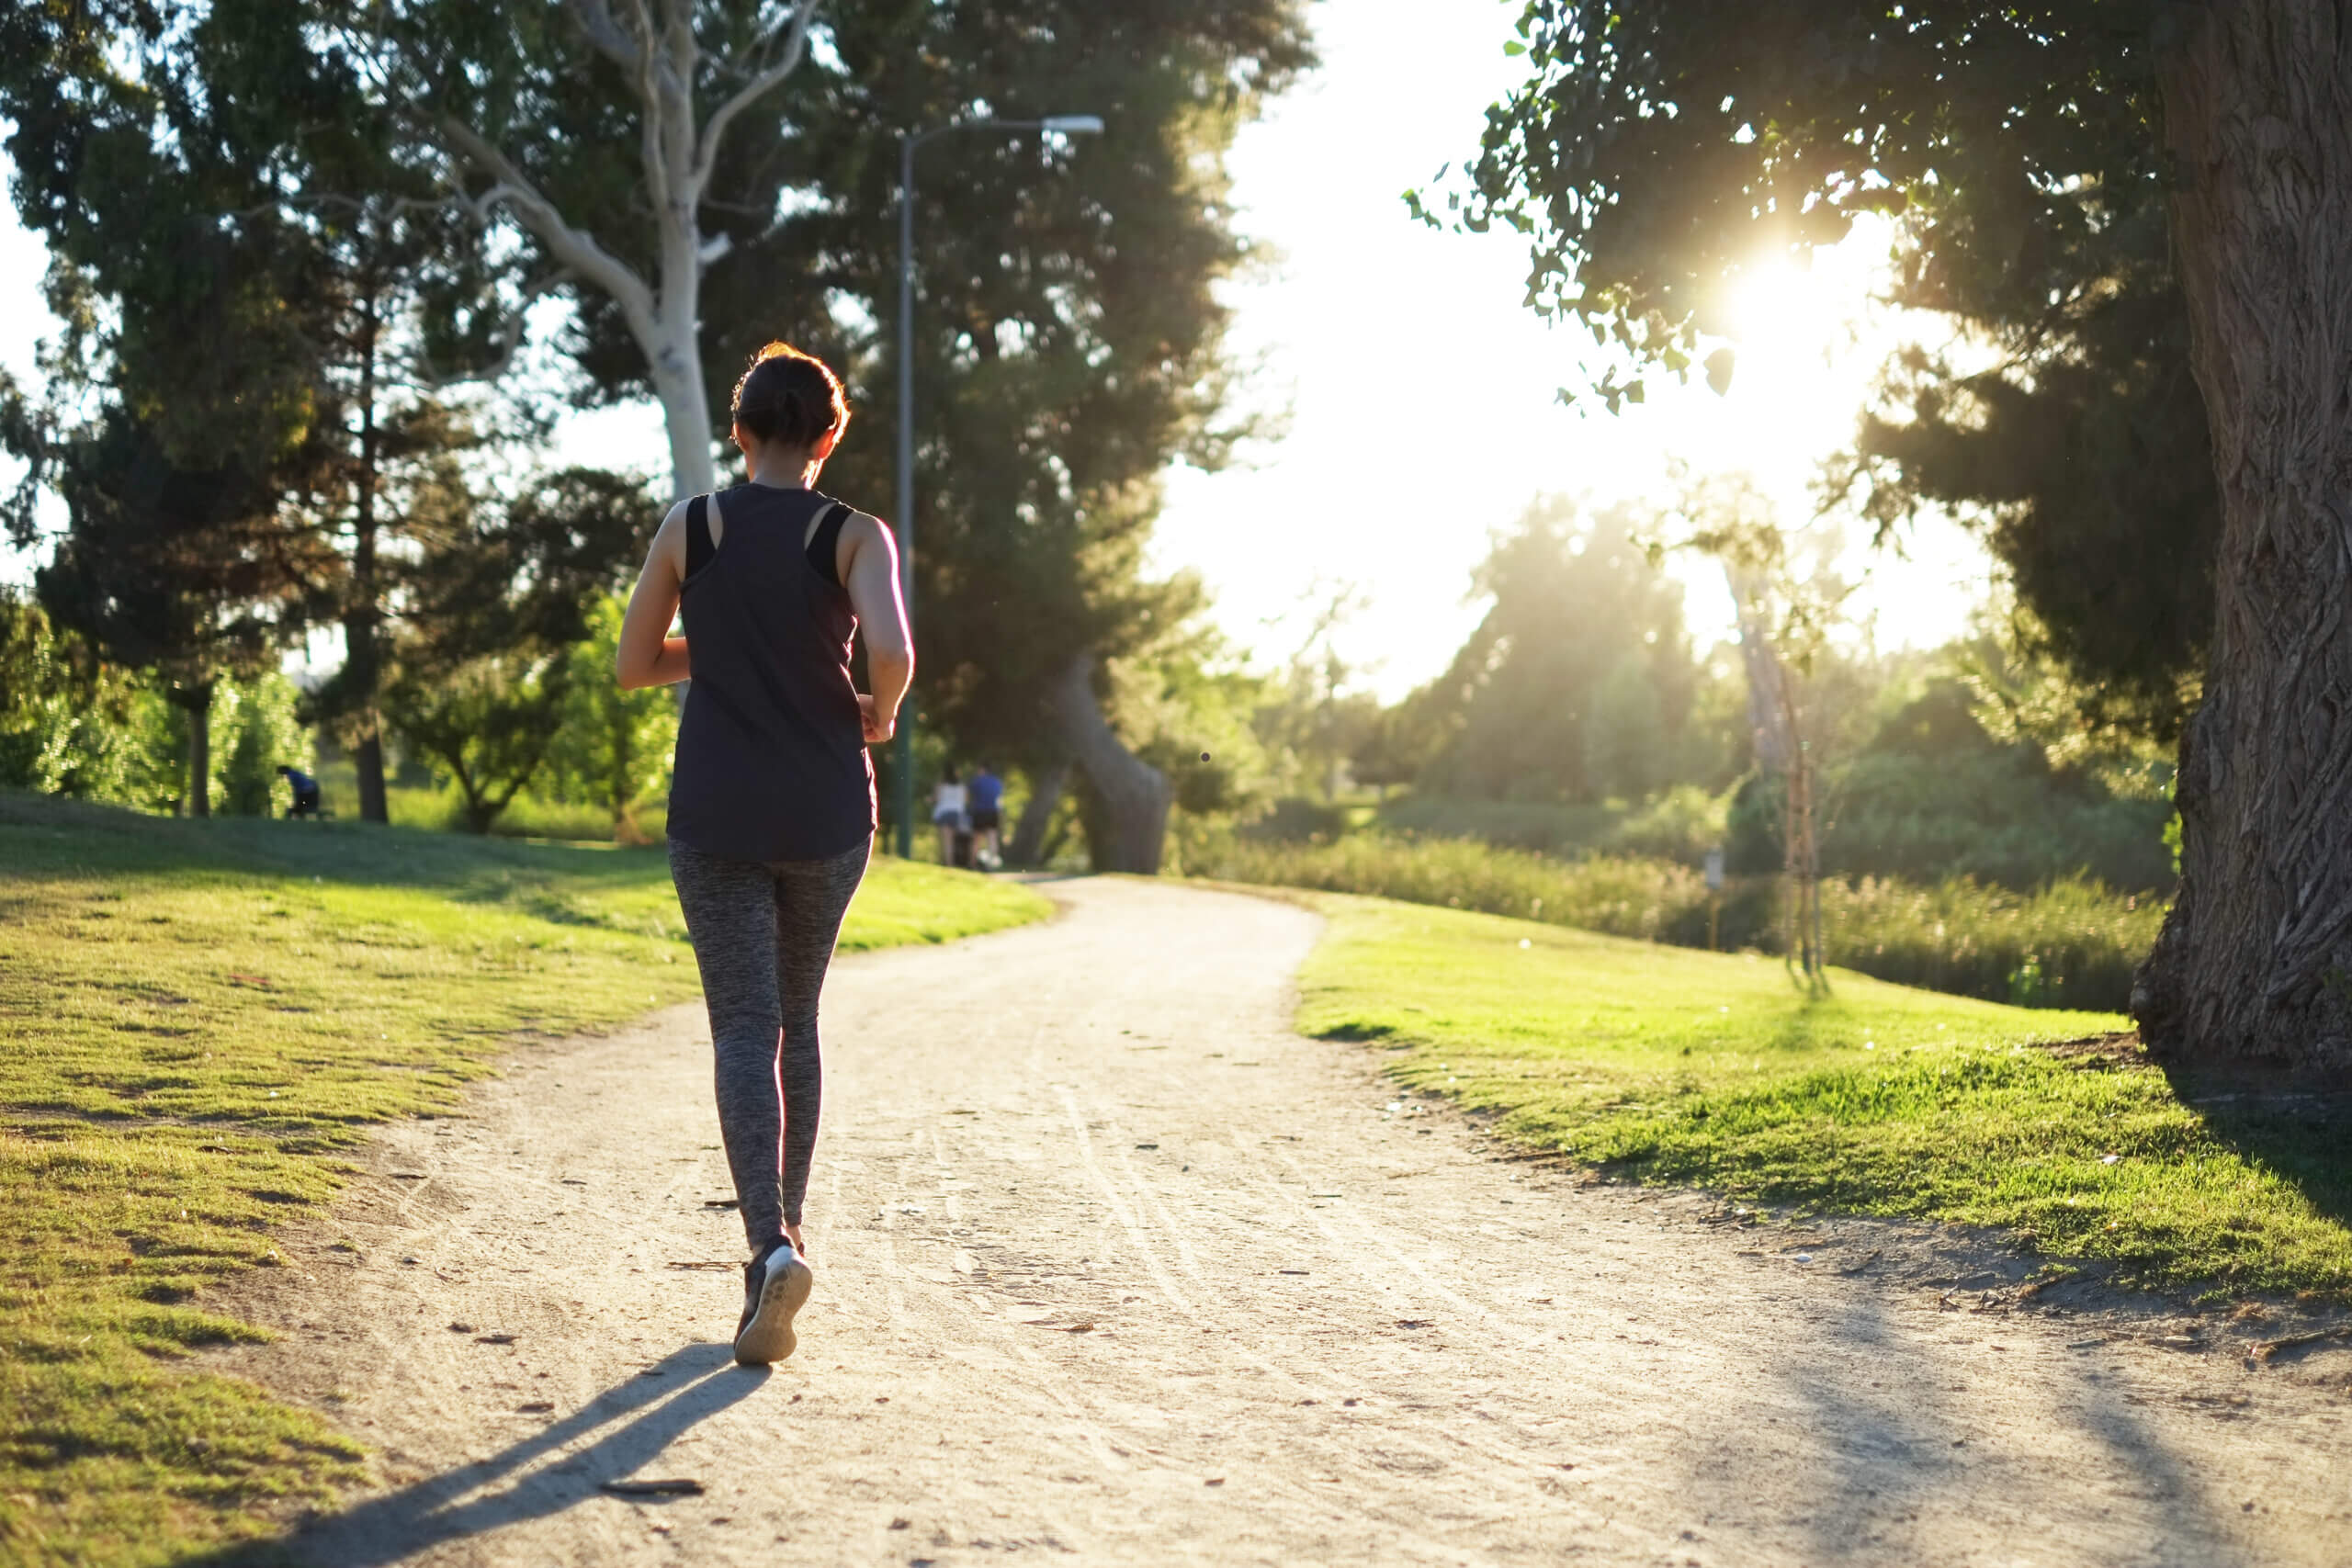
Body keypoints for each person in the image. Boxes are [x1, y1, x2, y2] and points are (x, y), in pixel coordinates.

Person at [615, 341, 912, 1367]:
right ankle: (786, 1238)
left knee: (744, 1028)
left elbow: (634, 664)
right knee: (798, 1019)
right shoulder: (853, 533)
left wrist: (733, 645)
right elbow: (893, 650)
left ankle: (767, 1250)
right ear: (830, 437)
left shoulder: (690, 526)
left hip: (717, 813)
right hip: (826, 811)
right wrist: (879, 712)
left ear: (738, 431)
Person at [967, 762, 1003, 866]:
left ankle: (972, 863)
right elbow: (999, 799)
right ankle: (992, 863)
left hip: (979, 811)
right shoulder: (997, 782)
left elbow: (968, 796)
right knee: (992, 838)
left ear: (982, 769)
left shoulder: (977, 781)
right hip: (993, 812)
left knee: (976, 838)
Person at [932, 764, 967, 867]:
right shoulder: (962, 786)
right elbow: (965, 800)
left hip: (944, 813)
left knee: (947, 841)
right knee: (954, 840)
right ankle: (953, 862)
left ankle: (948, 863)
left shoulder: (940, 785)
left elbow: (936, 799)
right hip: (958, 814)